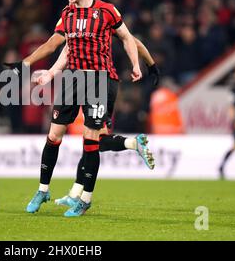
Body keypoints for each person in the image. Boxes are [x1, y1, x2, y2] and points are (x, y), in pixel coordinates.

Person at [6, 0, 150, 217]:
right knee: (54, 135)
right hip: (72, 79)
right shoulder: (66, 13)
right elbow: (56, 45)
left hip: (99, 79)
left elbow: (127, 38)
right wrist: (33, 66)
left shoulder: (107, 11)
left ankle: (85, 200)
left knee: (91, 140)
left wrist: (136, 64)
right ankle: (43, 190)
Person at [33, 41, 157, 208]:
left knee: (92, 140)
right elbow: (135, 42)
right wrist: (151, 65)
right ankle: (75, 194)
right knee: (93, 141)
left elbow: (56, 45)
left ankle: (133, 144)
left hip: (99, 82)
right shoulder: (104, 24)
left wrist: (145, 65)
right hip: (104, 82)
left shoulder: (101, 20)